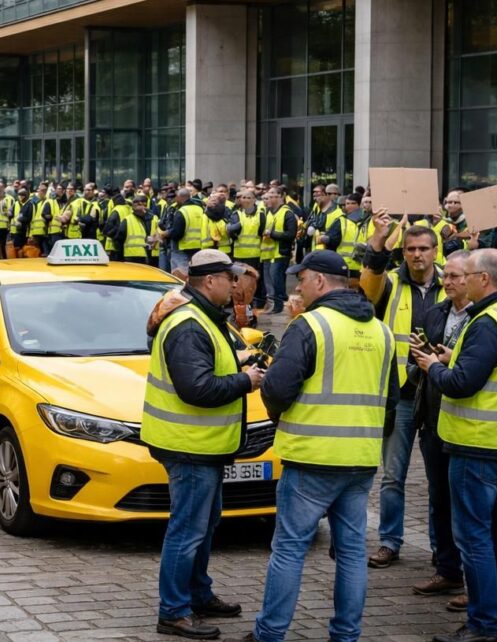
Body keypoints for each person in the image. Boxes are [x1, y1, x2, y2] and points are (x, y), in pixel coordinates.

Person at [248, 250, 397, 642]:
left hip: (311, 456)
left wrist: (282, 419)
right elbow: (392, 402)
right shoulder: (381, 330)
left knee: (289, 549)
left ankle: (270, 633)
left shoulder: (310, 326)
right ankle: (346, 635)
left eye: (302, 278)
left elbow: (277, 388)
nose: (297, 286)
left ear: (319, 281)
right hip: (360, 459)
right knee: (350, 552)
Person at [414, 248, 497, 642]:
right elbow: (492, 369)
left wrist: (433, 366)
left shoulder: (487, 322)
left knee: (474, 538)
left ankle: (483, 624)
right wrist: (455, 358)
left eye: (466, 274)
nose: (460, 280)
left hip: (477, 445)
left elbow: (461, 384)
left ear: (484, 279)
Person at [143, 249, 263, 640]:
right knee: (188, 529)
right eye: (230, 279)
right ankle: (174, 611)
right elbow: (197, 388)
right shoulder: (189, 324)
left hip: (203, 445)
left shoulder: (204, 318)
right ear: (209, 281)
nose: (235, 285)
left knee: (203, 525)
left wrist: (240, 362)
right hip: (189, 446)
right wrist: (247, 381)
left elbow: (209, 367)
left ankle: (197, 594)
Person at [360, 211, 445, 568]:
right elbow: (368, 288)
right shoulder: (392, 283)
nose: (417, 255)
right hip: (401, 397)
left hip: (440, 395)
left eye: (424, 248)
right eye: (410, 248)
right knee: (393, 476)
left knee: (439, 480)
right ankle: (390, 542)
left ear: (436, 251)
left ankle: (443, 548)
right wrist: (378, 241)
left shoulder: (452, 283)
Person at [409, 250, 473, 606]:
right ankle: (448, 570)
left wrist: (443, 362)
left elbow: (470, 370)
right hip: (433, 418)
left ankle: (475, 579)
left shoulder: (480, 317)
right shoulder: (435, 312)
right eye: (445, 276)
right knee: (440, 500)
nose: (447, 282)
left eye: (455, 276)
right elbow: (424, 365)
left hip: (466, 425)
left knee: (469, 506)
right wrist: (424, 358)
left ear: (475, 277)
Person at [114, 194, 155, 265]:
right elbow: (118, 240)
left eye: (143, 202)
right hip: (130, 257)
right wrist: (120, 258)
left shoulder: (152, 219)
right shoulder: (127, 220)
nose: (140, 204)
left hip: (149, 256)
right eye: (137, 202)